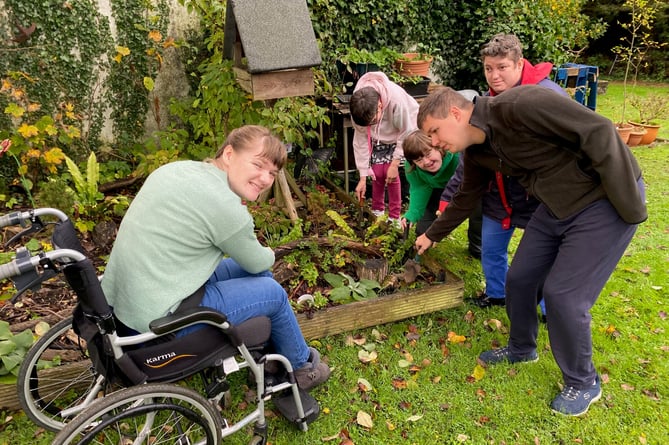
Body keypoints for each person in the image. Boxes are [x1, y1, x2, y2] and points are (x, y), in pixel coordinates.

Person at [414, 86, 646, 416]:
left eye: (434, 131)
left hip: (602, 199)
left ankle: (583, 381)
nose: (434, 143)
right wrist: (432, 236)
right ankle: (522, 347)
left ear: (455, 113)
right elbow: (467, 196)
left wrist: (630, 203)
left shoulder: (520, 105)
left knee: (563, 295)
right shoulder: (477, 151)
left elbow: (599, 130)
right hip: (555, 206)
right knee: (520, 278)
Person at [101, 125, 330, 391]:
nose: (266, 178)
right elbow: (259, 261)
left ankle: (268, 358)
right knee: (272, 292)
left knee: (253, 276)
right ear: (229, 154)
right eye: (258, 164)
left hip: (126, 309)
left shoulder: (177, 170)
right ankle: (302, 369)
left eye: (272, 172)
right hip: (155, 328)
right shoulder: (224, 206)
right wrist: (269, 252)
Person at [440, 33, 568, 311]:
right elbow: (469, 157)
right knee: (491, 248)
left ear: (520, 64)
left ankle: (548, 307)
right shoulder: (485, 105)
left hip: (540, 195)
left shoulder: (548, 96)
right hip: (499, 194)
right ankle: (497, 293)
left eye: (502, 68)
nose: (494, 76)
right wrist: (449, 196)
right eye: (488, 68)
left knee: (547, 253)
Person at [349, 71, 418, 225]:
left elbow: (405, 131)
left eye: (373, 121)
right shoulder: (359, 104)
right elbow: (360, 140)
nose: (371, 125)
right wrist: (362, 176)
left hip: (404, 131)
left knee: (391, 175)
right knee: (377, 173)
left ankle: (394, 218)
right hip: (379, 139)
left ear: (380, 106)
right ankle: (377, 212)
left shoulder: (396, 101)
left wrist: (395, 164)